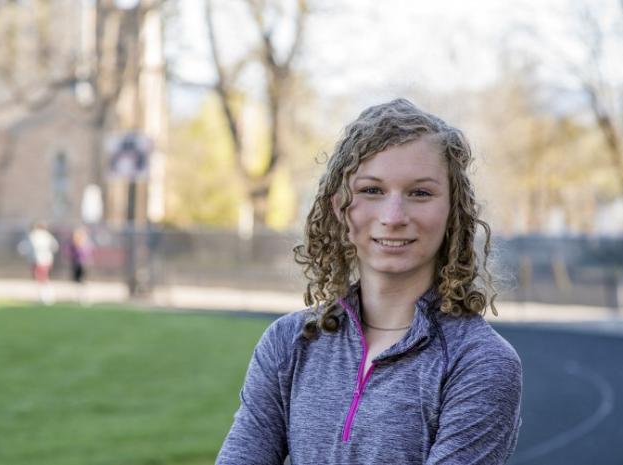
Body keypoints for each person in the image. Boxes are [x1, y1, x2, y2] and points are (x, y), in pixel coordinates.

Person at [216, 98, 522, 465]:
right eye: (371, 190)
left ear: (452, 210)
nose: (393, 217)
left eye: (420, 193)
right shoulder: (288, 343)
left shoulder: (479, 362)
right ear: (339, 207)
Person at [18, 221, 60, 305]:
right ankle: (44, 296)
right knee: (43, 278)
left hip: (38, 260)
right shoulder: (47, 235)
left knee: (42, 279)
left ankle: (46, 296)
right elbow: (55, 246)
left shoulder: (34, 235)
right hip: (46, 260)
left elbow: (24, 247)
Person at [66, 226, 94, 304]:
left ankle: (84, 297)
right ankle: (79, 296)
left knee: (83, 280)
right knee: (77, 280)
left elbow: (87, 253)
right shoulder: (73, 244)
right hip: (76, 263)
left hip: (84, 264)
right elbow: (69, 252)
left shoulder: (85, 243)